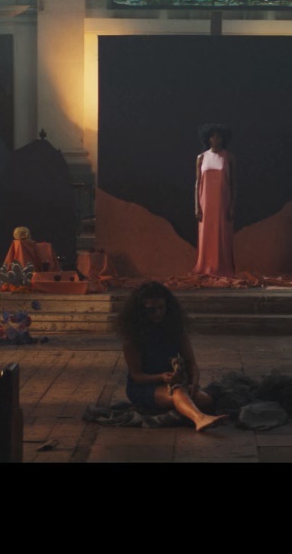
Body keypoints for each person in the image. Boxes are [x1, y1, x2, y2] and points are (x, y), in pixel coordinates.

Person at [118, 281, 228, 432]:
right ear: (141, 311)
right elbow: (137, 376)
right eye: (151, 310)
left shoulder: (176, 330)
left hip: (176, 382)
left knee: (205, 400)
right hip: (144, 387)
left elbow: (191, 363)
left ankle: (181, 406)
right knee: (178, 391)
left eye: (161, 307)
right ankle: (200, 419)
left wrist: (194, 383)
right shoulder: (132, 339)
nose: (158, 313)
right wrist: (162, 377)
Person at [193, 123, 236, 278]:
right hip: (205, 202)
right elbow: (197, 183)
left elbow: (233, 183)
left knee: (223, 235)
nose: (216, 139)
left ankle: (222, 267)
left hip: (223, 202)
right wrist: (197, 206)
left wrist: (232, 205)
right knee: (206, 235)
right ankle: (204, 266)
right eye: (213, 136)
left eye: (218, 136)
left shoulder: (228, 157)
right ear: (208, 138)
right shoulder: (201, 157)